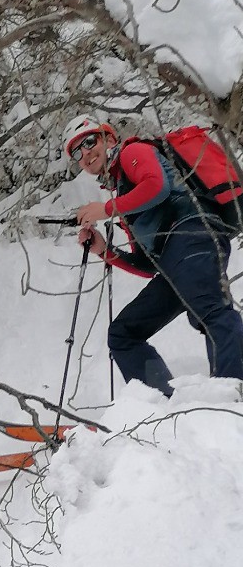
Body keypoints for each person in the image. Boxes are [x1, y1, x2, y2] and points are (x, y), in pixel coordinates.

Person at [62, 114, 243, 398]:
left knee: (210, 310)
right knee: (123, 334)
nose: (85, 153)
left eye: (89, 142)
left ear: (109, 138)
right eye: (76, 152)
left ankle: (234, 394)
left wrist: (107, 209)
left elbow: (158, 187)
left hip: (193, 233)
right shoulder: (123, 191)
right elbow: (148, 265)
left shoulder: (133, 152)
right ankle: (163, 404)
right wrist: (104, 251)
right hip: (173, 262)